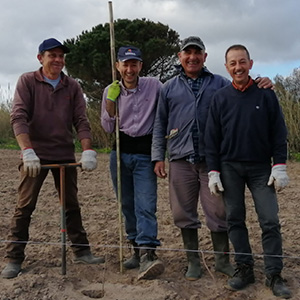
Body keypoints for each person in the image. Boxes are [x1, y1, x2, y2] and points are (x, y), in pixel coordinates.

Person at [151, 36, 273, 281]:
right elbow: (159, 123)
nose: (193, 57)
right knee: (182, 213)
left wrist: (263, 82)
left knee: (219, 212)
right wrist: (158, 157)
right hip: (180, 158)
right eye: (188, 53)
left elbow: (243, 90)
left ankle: (222, 260)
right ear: (180, 57)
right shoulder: (169, 87)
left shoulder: (219, 83)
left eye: (198, 53)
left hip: (213, 162)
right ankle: (193, 261)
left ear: (205, 57)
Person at [1, 38, 104, 279]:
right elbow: (18, 117)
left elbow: (81, 120)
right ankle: (14, 258)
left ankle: (81, 251)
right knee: (24, 206)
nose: (58, 60)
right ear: (40, 58)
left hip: (64, 154)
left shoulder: (72, 86)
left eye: (61, 56)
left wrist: (87, 150)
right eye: (52, 55)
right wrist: (27, 151)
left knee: (71, 204)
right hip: (34, 156)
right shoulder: (27, 81)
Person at [205, 44, 291, 299]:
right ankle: (244, 268)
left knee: (270, 220)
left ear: (250, 64)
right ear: (227, 67)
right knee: (235, 218)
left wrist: (280, 165)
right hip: (230, 167)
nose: (238, 67)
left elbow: (279, 131)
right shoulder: (220, 98)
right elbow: (212, 138)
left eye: (242, 62)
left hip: (261, 168)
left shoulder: (265, 94)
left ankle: (274, 273)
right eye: (233, 63)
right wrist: (213, 171)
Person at [101, 46, 164, 280]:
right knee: (127, 204)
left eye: (134, 64)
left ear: (140, 66)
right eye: (125, 64)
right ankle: (135, 250)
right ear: (118, 66)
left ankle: (148, 252)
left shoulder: (154, 86)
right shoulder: (111, 90)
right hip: (120, 154)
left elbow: (168, 108)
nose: (129, 69)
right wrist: (110, 102)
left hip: (145, 154)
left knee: (146, 204)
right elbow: (108, 127)